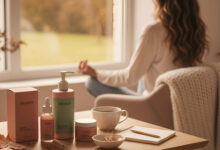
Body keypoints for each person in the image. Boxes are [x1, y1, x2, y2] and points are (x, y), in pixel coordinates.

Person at [78, 0, 208, 97]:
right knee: (145, 72)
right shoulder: (197, 33)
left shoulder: (154, 31)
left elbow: (129, 77)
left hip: (153, 108)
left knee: (91, 82)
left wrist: (96, 73)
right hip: (177, 106)